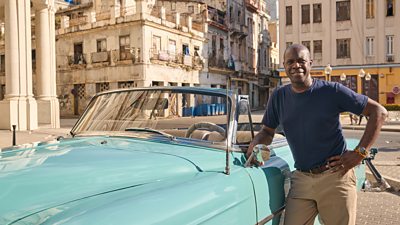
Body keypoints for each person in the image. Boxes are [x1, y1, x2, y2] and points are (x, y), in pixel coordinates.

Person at [247, 44, 387, 225]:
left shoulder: (331, 91)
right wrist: (255, 146)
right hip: (302, 180)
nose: (296, 65)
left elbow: (379, 112)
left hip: (335, 177)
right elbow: (267, 131)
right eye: (290, 62)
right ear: (284, 65)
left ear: (310, 64)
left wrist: (359, 153)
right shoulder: (279, 96)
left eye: (301, 61)